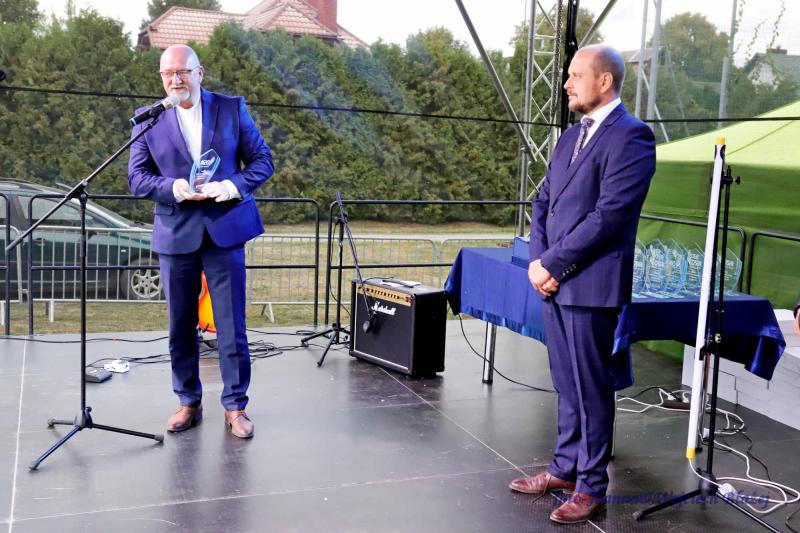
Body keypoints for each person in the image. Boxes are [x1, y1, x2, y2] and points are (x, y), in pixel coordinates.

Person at [509, 44, 656, 523]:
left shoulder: (632, 136)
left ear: (605, 81)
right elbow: (543, 202)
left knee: (591, 388)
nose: (566, 83)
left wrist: (552, 264)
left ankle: (591, 486)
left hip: (591, 285)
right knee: (566, 382)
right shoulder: (572, 135)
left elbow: (609, 217)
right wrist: (538, 262)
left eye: (575, 75)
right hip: (555, 281)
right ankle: (565, 468)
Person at [128, 44, 273, 439]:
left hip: (225, 228)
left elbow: (263, 160)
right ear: (162, 77)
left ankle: (236, 405)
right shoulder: (149, 119)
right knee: (180, 326)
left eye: (183, 71)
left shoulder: (231, 108)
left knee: (230, 324)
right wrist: (173, 187)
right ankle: (188, 401)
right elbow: (137, 177)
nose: (176, 79)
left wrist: (230, 186)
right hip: (176, 231)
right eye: (168, 73)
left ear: (199, 72)